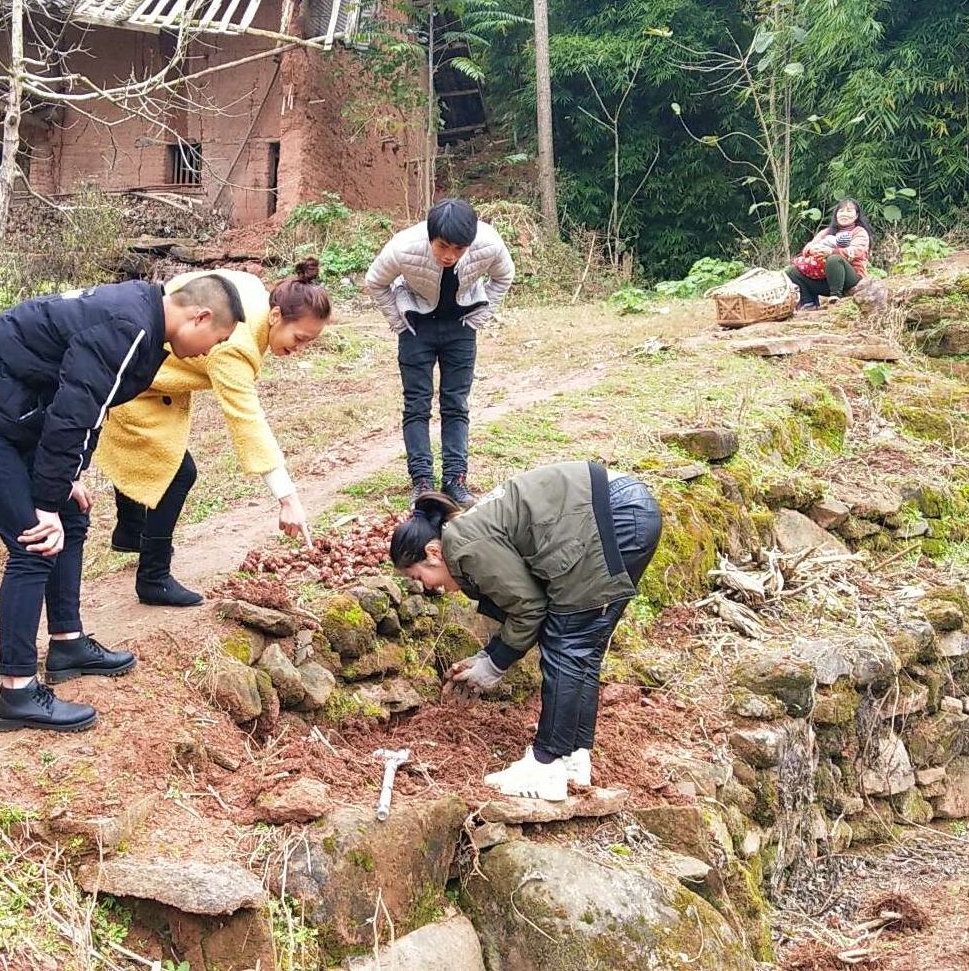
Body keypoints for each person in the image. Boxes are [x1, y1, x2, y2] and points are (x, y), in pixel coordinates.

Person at [0, 278, 241, 733]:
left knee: (72, 515)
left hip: (11, 411)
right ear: (199, 317)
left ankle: (67, 643)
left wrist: (65, 483)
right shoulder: (128, 327)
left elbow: (91, 406)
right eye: (215, 340)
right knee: (35, 541)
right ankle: (17, 693)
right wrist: (43, 503)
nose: (207, 353)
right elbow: (73, 415)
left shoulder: (142, 317)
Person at [389, 461, 662, 802]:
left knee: (567, 643)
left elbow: (531, 607)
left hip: (612, 513)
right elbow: (523, 598)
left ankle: (546, 765)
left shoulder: (461, 544)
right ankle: (573, 756)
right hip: (623, 509)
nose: (427, 588)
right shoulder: (467, 530)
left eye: (418, 578)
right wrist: (488, 657)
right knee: (582, 648)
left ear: (432, 553)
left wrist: (495, 664)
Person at [95, 260, 334, 606]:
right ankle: (153, 576)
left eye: (308, 343)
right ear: (276, 315)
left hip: (148, 366)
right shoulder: (234, 347)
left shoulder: (252, 290)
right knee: (178, 472)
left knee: (154, 456)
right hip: (136, 376)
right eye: (299, 338)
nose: (299, 350)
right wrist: (287, 498)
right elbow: (247, 421)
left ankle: (131, 530)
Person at [365, 198, 515, 509]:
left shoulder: (488, 243)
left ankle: (456, 479)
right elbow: (375, 281)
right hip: (417, 327)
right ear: (430, 235)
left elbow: (504, 276)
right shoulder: (403, 246)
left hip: (460, 326)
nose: (449, 255)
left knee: (455, 403)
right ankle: (422, 482)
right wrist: (399, 322)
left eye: (458, 249)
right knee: (417, 404)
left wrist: (479, 318)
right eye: (442, 246)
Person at [786, 199, 873, 311]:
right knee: (792, 271)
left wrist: (831, 251)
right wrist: (814, 250)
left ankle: (837, 297)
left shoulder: (859, 232)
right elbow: (808, 248)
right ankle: (808, 302)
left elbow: (856, 251)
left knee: (834, 259)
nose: (844, 214)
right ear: (836, 215)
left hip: (851, 278)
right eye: (841, 211)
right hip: (825, 278)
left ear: (856, 216)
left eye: (849, 211)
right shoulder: (827, 232)